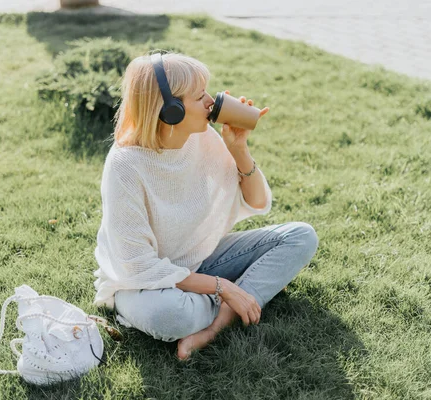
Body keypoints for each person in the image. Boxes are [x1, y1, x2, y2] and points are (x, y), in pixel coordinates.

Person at [92, 52, 319, 360]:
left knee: (300, 236)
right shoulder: (125, 166)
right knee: (172, 316)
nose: (211, 102)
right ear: (169, 111)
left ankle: (216, 325)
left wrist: (238, 148)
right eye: (200, 96)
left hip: (199, 261)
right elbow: (138, 265)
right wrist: (223, 286)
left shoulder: (202, 138)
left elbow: (257, 201)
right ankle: (245, 293)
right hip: (142, 284)